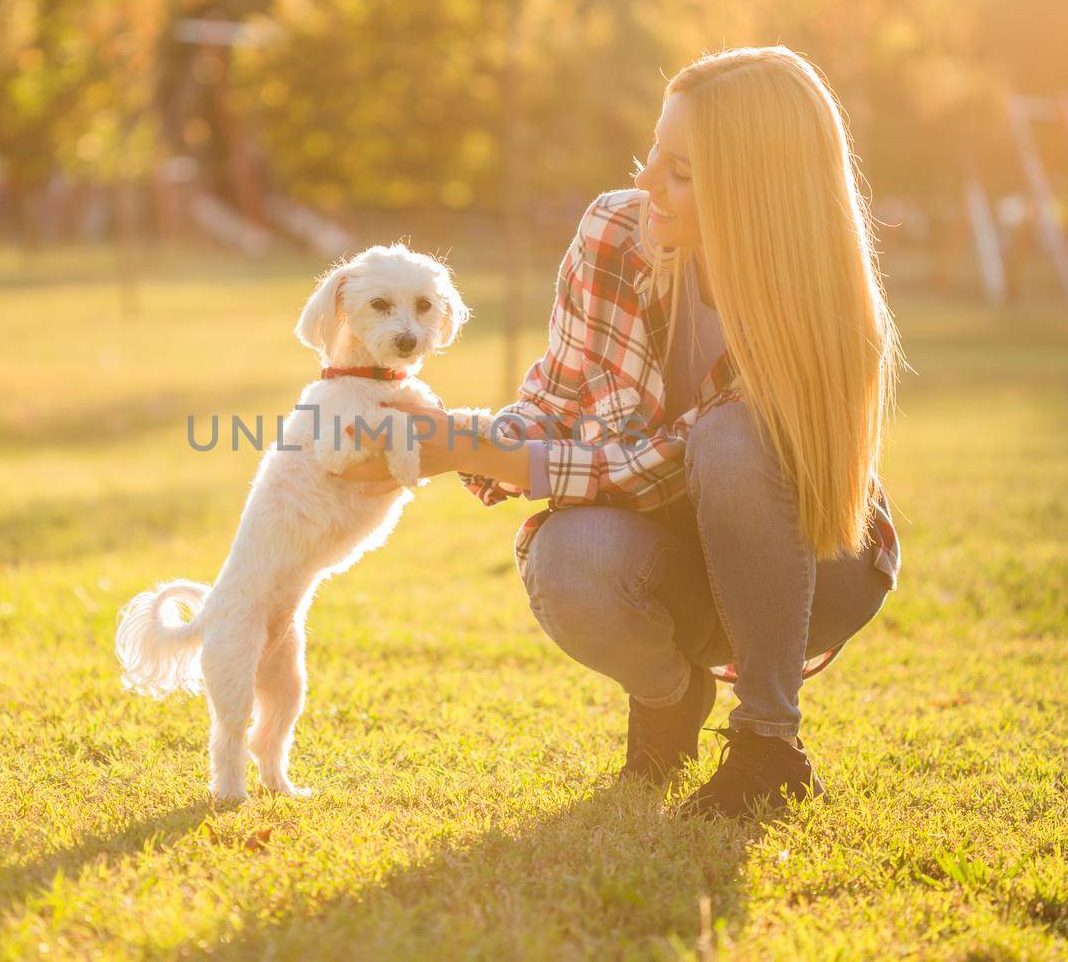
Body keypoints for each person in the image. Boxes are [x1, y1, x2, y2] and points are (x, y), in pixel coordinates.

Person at [338, 46, 902, 818]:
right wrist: (440, 435)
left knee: (734, 439)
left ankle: (770, 743)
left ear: (753, 189)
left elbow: (666, 465)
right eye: (653, 155)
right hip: (665, 560)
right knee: (567, 559)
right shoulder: (614, 229)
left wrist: (468, 446)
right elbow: (558, 397)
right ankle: (670, 697)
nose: (646, 185)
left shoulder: (816, 304)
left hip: (813, 573)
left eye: (681, 170)